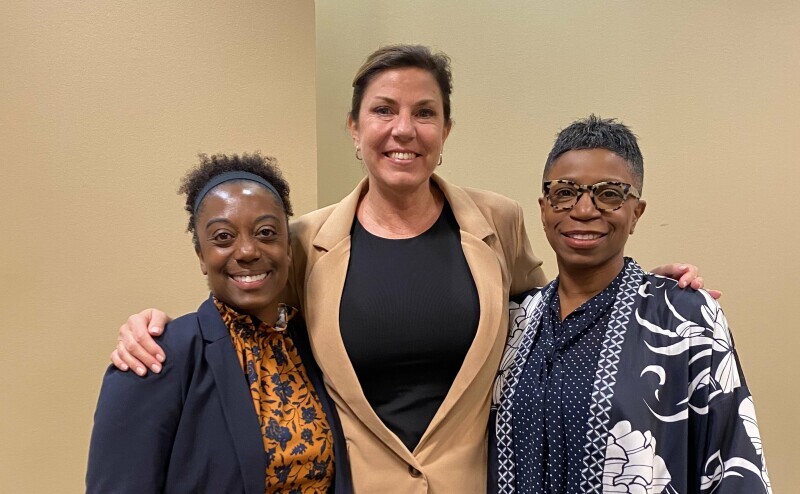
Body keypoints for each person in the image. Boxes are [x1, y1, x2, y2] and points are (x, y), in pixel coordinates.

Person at [108, 46, 709, 492]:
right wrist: (152, 326)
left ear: (445, 130)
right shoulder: (304, 240)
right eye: (383, 110)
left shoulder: (496, 221)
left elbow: (553, 315)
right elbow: (243, 307)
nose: (404, 129)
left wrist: (639, 292)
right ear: (355, 128)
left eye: (424, 112)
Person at [490, 116, 770, 493]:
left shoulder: (684, 319)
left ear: (635, 213)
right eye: (565, 191)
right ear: (544, 208)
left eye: (609, 194)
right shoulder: (512, 324)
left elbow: (735, 462)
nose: (584, 210)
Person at [87, 153, 352, 493]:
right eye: (223, 237)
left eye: (266, 232)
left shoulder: (315, 342)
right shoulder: (155, 358)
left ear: (287, 247)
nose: (246, 251)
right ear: (201, 256)